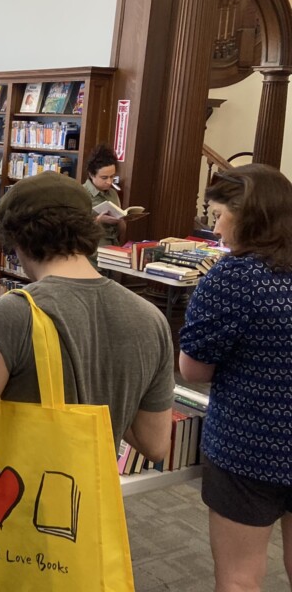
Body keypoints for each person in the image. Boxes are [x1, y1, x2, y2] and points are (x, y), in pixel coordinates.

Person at [0, 170, 174, 460]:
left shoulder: (15, 312)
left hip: (23, 496)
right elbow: (155, 445)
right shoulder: (151, 318)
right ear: (90, 227)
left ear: (17, 240)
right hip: (94, 497)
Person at [179, 164, 292, 592]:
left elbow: (193, 369)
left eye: (218, 215)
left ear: (246, 214)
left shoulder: (234, 277)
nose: (216, 229)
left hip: (250, 447)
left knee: (240, 577)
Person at [84, 144, 125, 247]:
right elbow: (74, 230)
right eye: (104, 177)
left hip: (113, 249)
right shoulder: (81, 193)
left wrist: (120, 220)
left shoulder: (113, 193)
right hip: (92, 251)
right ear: (91, 174)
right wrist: (98, 220)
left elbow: (122, 231)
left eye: (112, 177)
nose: (109, 182)